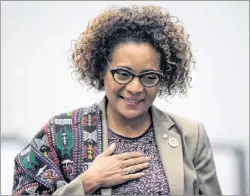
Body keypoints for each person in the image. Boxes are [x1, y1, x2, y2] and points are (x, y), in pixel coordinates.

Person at [12, 5, 222, 195]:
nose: (135, 88)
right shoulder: (61, 132)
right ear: (101, 70)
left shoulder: (190, 136)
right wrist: (88, 182)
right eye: (123, 73)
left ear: (163, 78)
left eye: (149, 77)